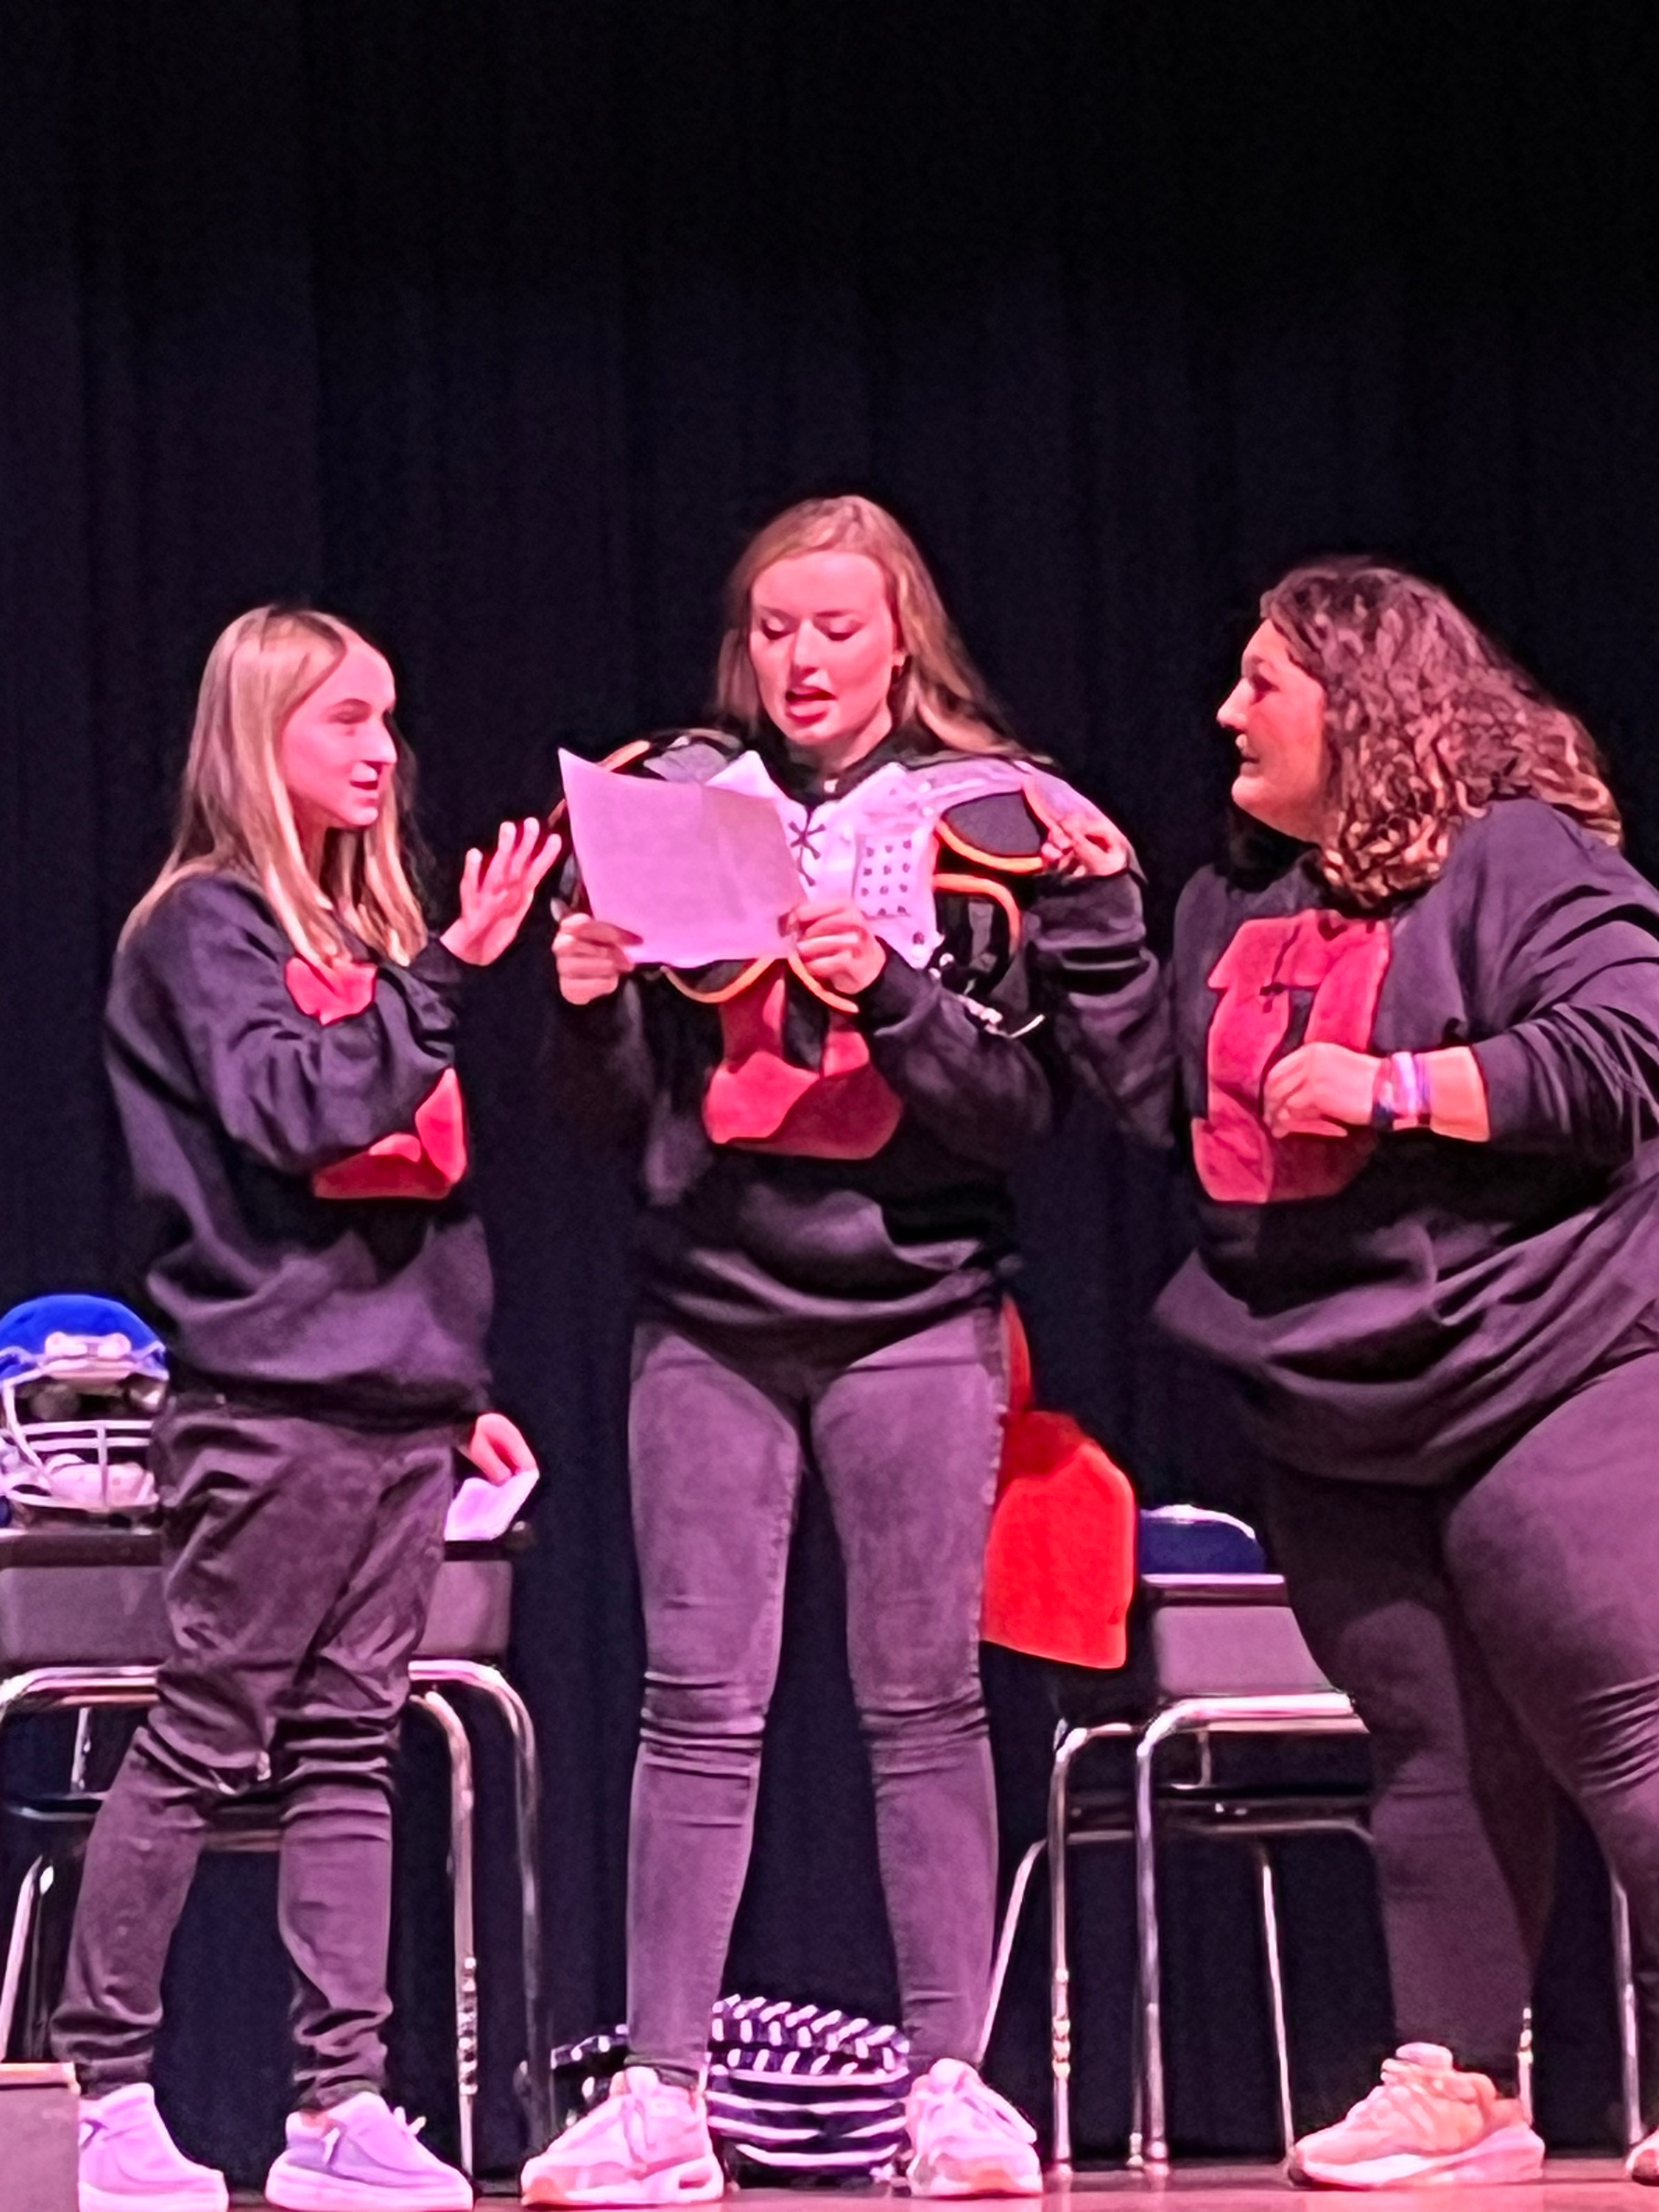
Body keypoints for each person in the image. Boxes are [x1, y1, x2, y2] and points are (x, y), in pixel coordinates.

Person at [525, 494, 1164, 2204]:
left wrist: (891, 987)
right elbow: (606, 1117)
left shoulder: (993, 819)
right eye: (775, 630)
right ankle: (663, 2090)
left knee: (923, 1699)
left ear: (900, 643)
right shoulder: (676, 802)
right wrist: (586, 1002)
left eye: (837, 628)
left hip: (914, 1310)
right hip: (710, 1308)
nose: (802, 660)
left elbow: (1019, 1109)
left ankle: (952, 2083)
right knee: (694, 1702)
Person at [1060, 557, 1659, 2188]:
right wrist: (1099, 923)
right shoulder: (1235, 901)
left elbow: (1624, 1052)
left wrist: (1397, 1087)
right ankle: (1458, 2082)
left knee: (1626, 1722)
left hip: (1543, 1358)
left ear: (1367, 705)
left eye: (1264, 682)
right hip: (1328, 1389)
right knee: (1425, 1742)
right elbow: (1177, 1112)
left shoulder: (1516, 859)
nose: (1226, 713)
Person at [58, 606, 556, 2212]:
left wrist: (454, 1389)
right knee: (209, 1737)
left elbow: (417, 1207)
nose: (380, 750)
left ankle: (340, 2105)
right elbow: (297, 1113)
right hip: (267, 1408)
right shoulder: (203, 931)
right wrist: (447, 975)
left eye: (388, 719)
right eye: (344, 718)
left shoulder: (361, 938)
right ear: (257, 735)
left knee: (350, 1749)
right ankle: (106, 2097)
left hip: (393, 1412)